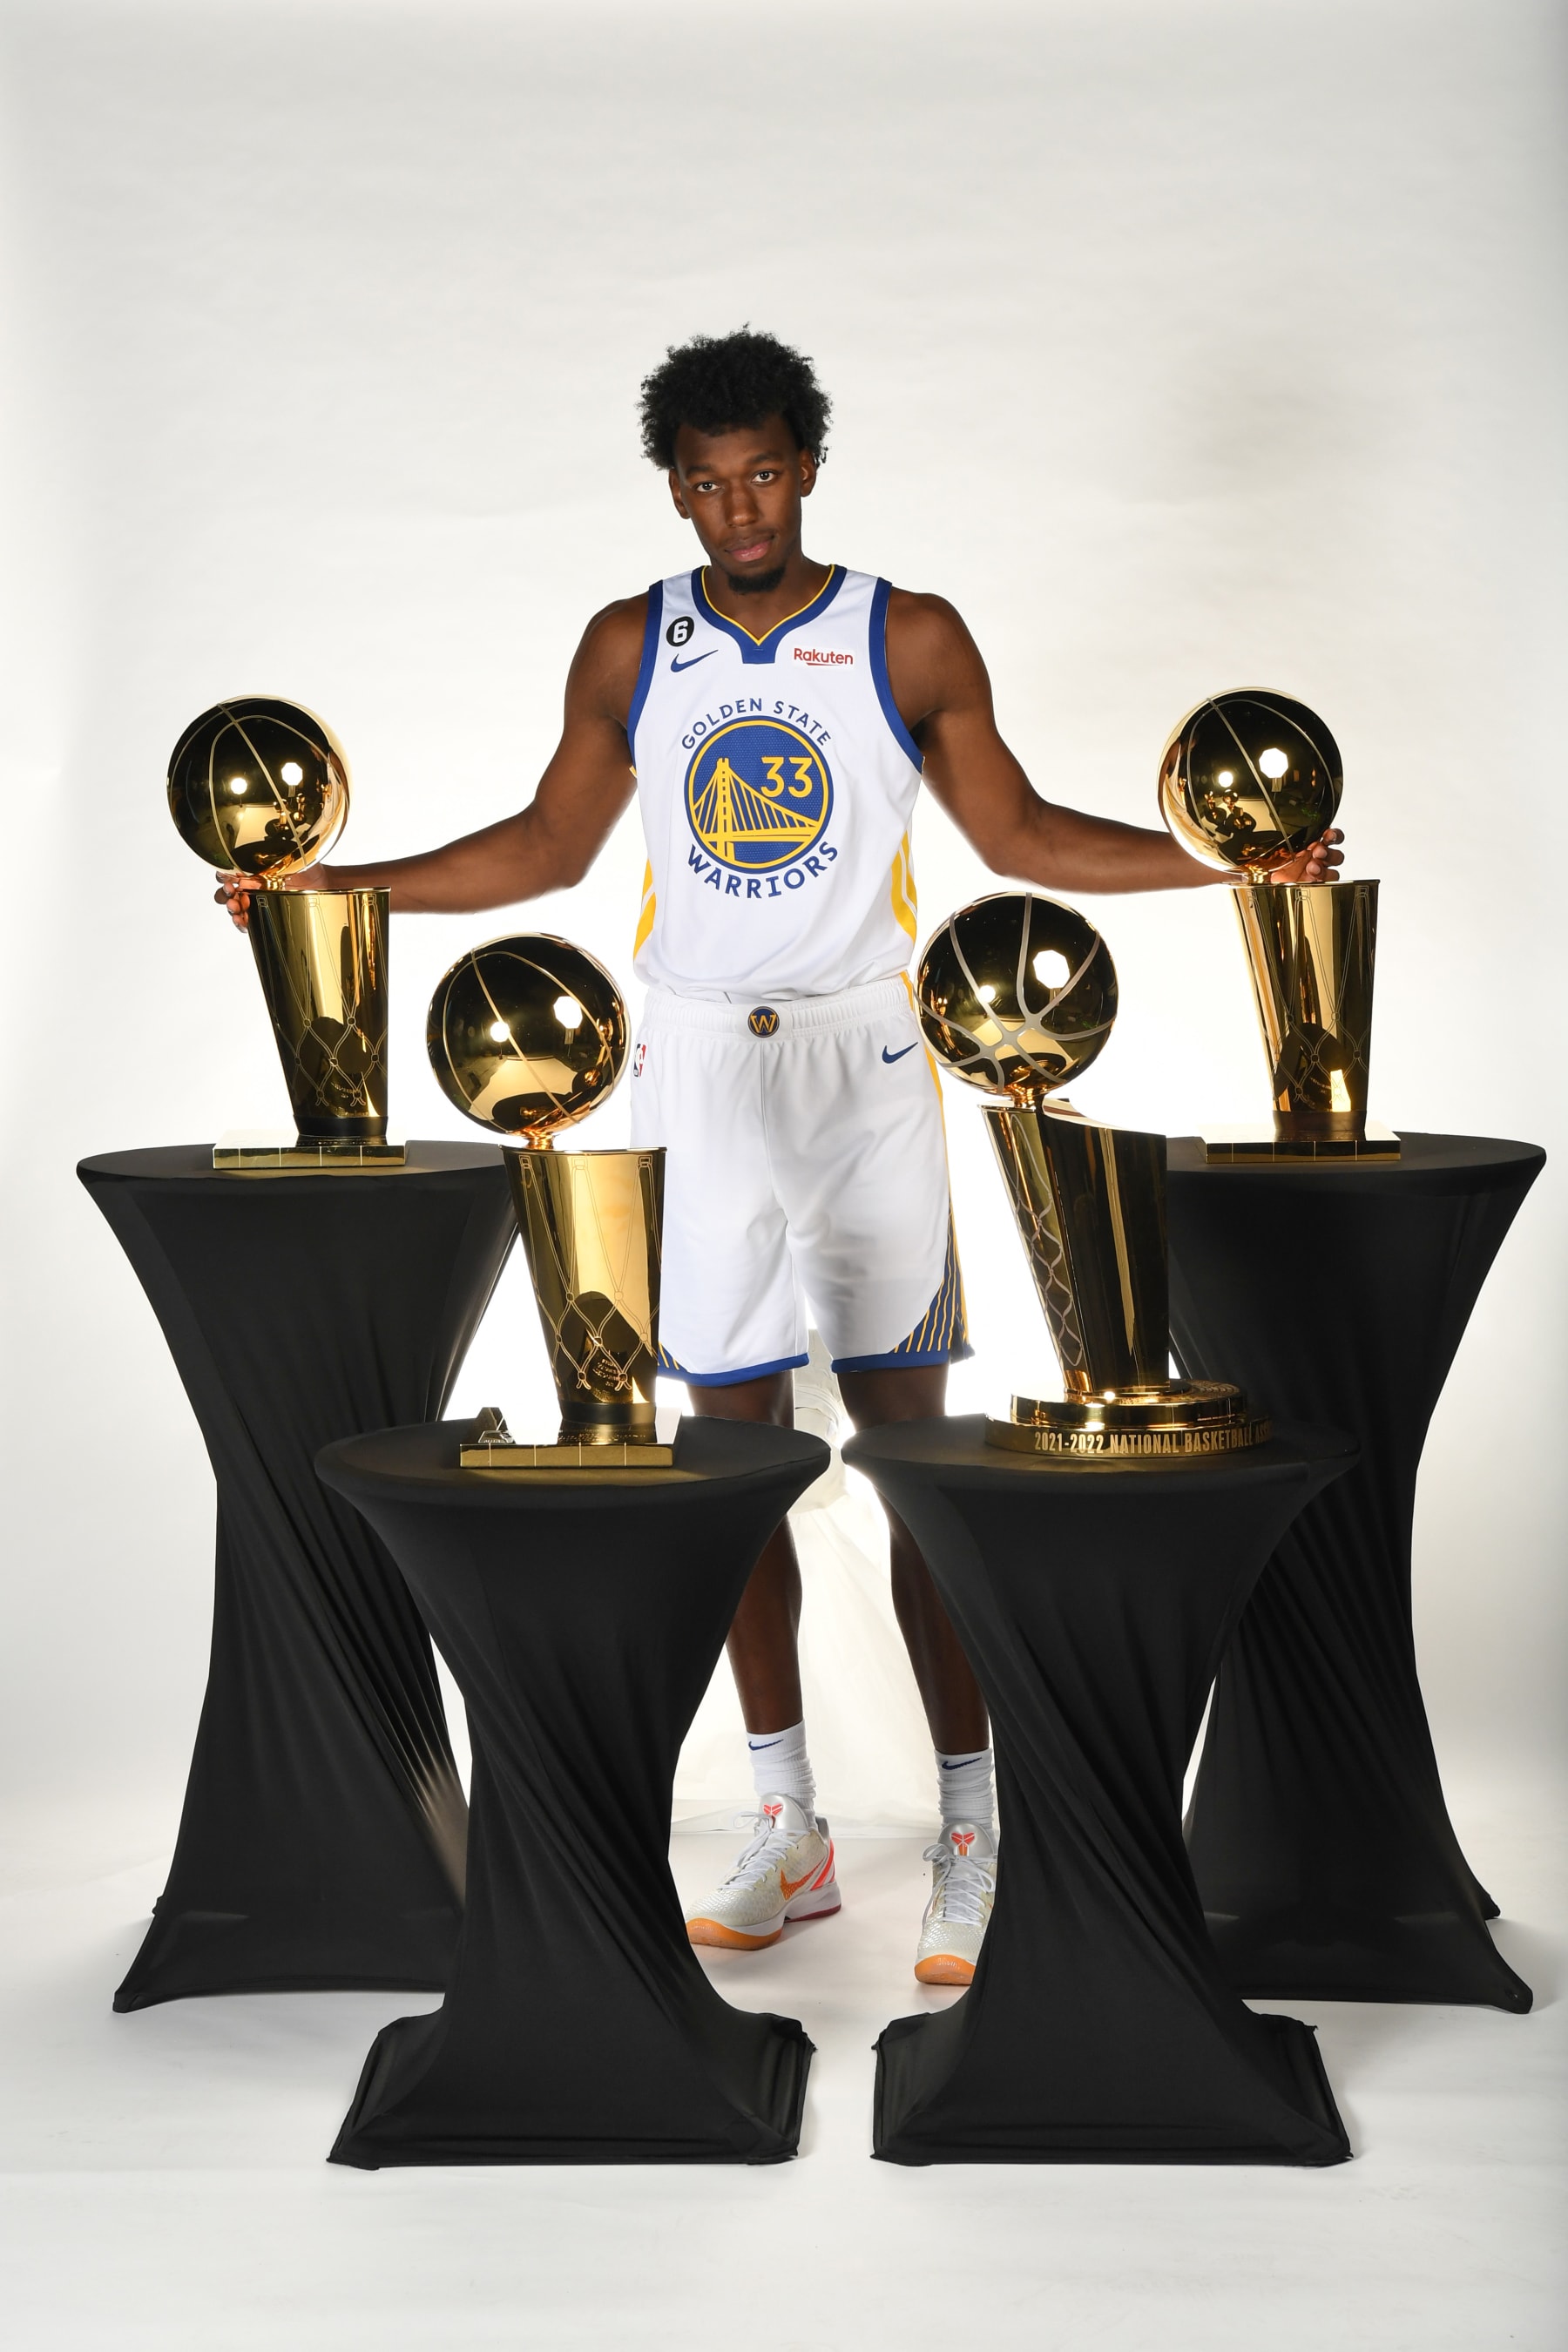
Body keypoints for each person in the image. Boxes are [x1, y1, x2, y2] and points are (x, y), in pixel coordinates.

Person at [219, 328, 1342, 1985]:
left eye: (761, 472)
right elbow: (547, 842)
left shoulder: (909, 633)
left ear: (808, 465)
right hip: (690, 1064)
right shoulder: (632, 642)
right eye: (704, 480)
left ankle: (972, 1825)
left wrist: (1234, 869)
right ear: (672, 486)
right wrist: (337, 887)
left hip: (869, 1058)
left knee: (919, 1449)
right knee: (726, 1463)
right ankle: (787, 1820)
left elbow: (1020, 836)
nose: (737, 507)